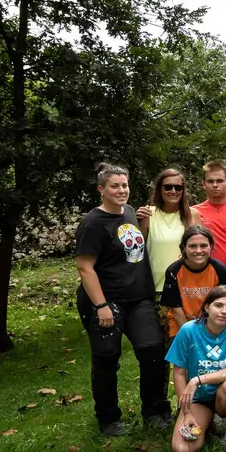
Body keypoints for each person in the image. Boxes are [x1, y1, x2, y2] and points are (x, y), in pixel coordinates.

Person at [75, 162, 171, 436]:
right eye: (114, 186)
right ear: (101, 189)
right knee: (106, 358)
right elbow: (85, 267)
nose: (121, 190)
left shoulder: (128, 212)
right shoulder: (93, 224)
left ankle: (153, 411)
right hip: (108, 300)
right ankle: (109, 418)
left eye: (124, 185)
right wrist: (101, 305)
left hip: (139, 298)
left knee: (153, 351)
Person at [166, 286, 226, 452]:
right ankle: (208, 422)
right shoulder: (188, 330)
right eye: (218, 305)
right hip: (199, 399)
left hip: (225, 393)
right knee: (183, 450)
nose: (224, 311)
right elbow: (179, 372)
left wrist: (198, 380)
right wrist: (186, 411)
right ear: (207, 307)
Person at [161, 225, 226, 341]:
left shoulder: (220, 270)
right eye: (192, 246)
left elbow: (225, 303)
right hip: (181, 323)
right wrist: (190, 335)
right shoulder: (173, 270)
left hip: (213, 322)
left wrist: (209, 331)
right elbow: (176, 309)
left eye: (203, 246)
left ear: (211, 247)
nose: (198, 251)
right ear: (184, 248)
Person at [137, 168, 200, 295]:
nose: (173, 191)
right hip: (154, 286)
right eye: (168, 187)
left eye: (178, 187)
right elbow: (137, 252)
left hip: (187, 286)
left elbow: (202, 249)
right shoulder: (147, 213)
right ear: (160, 189)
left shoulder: (193, 215)